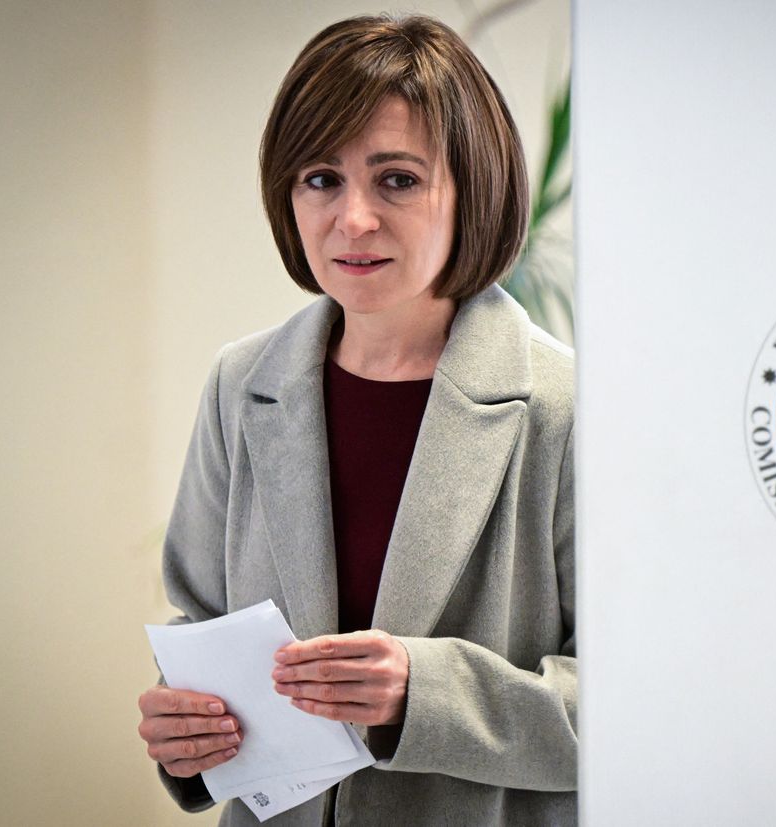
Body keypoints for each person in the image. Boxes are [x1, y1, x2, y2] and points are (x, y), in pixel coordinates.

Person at [135, 15, 576, 826]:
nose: (354, 219)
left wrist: (424, 696)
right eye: (320, 179)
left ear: (471, 187)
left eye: (397, 179)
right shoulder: (241, 384)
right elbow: (199, 625)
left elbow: (643, 708)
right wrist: (184, 729)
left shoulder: (566, 406)